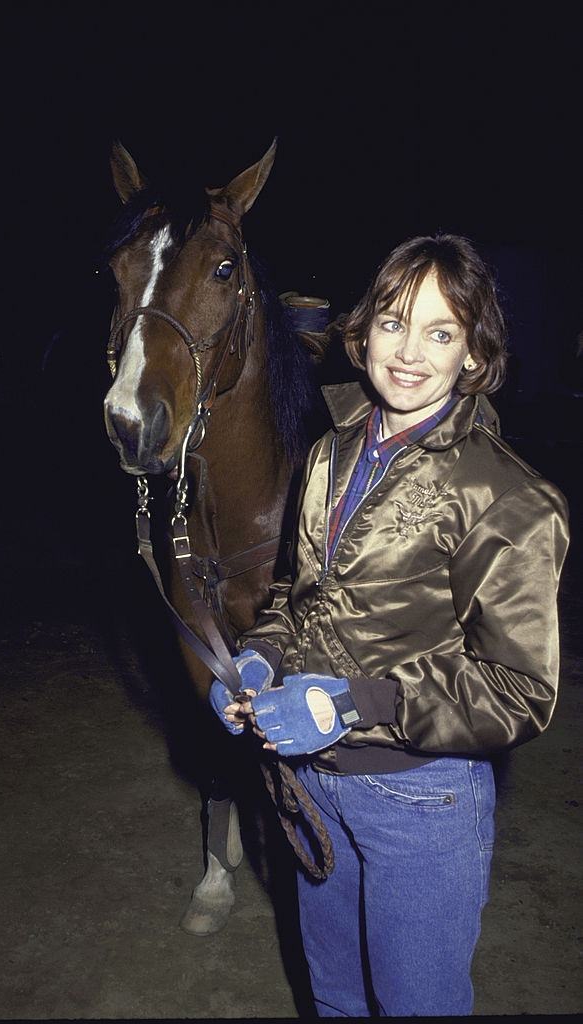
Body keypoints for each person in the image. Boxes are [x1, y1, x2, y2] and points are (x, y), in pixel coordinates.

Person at [209, 234, 569, 1017]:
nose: (409, 353)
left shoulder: (507, 497)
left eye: (441, 333)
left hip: (421, 800)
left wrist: (349, 703)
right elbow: (295, 592)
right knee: (334, 997)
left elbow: (519, 690)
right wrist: (261, 659)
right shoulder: (329, 452)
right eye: (394, 322)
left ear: (473, 355)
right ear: (362, 330)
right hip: (312, 786)